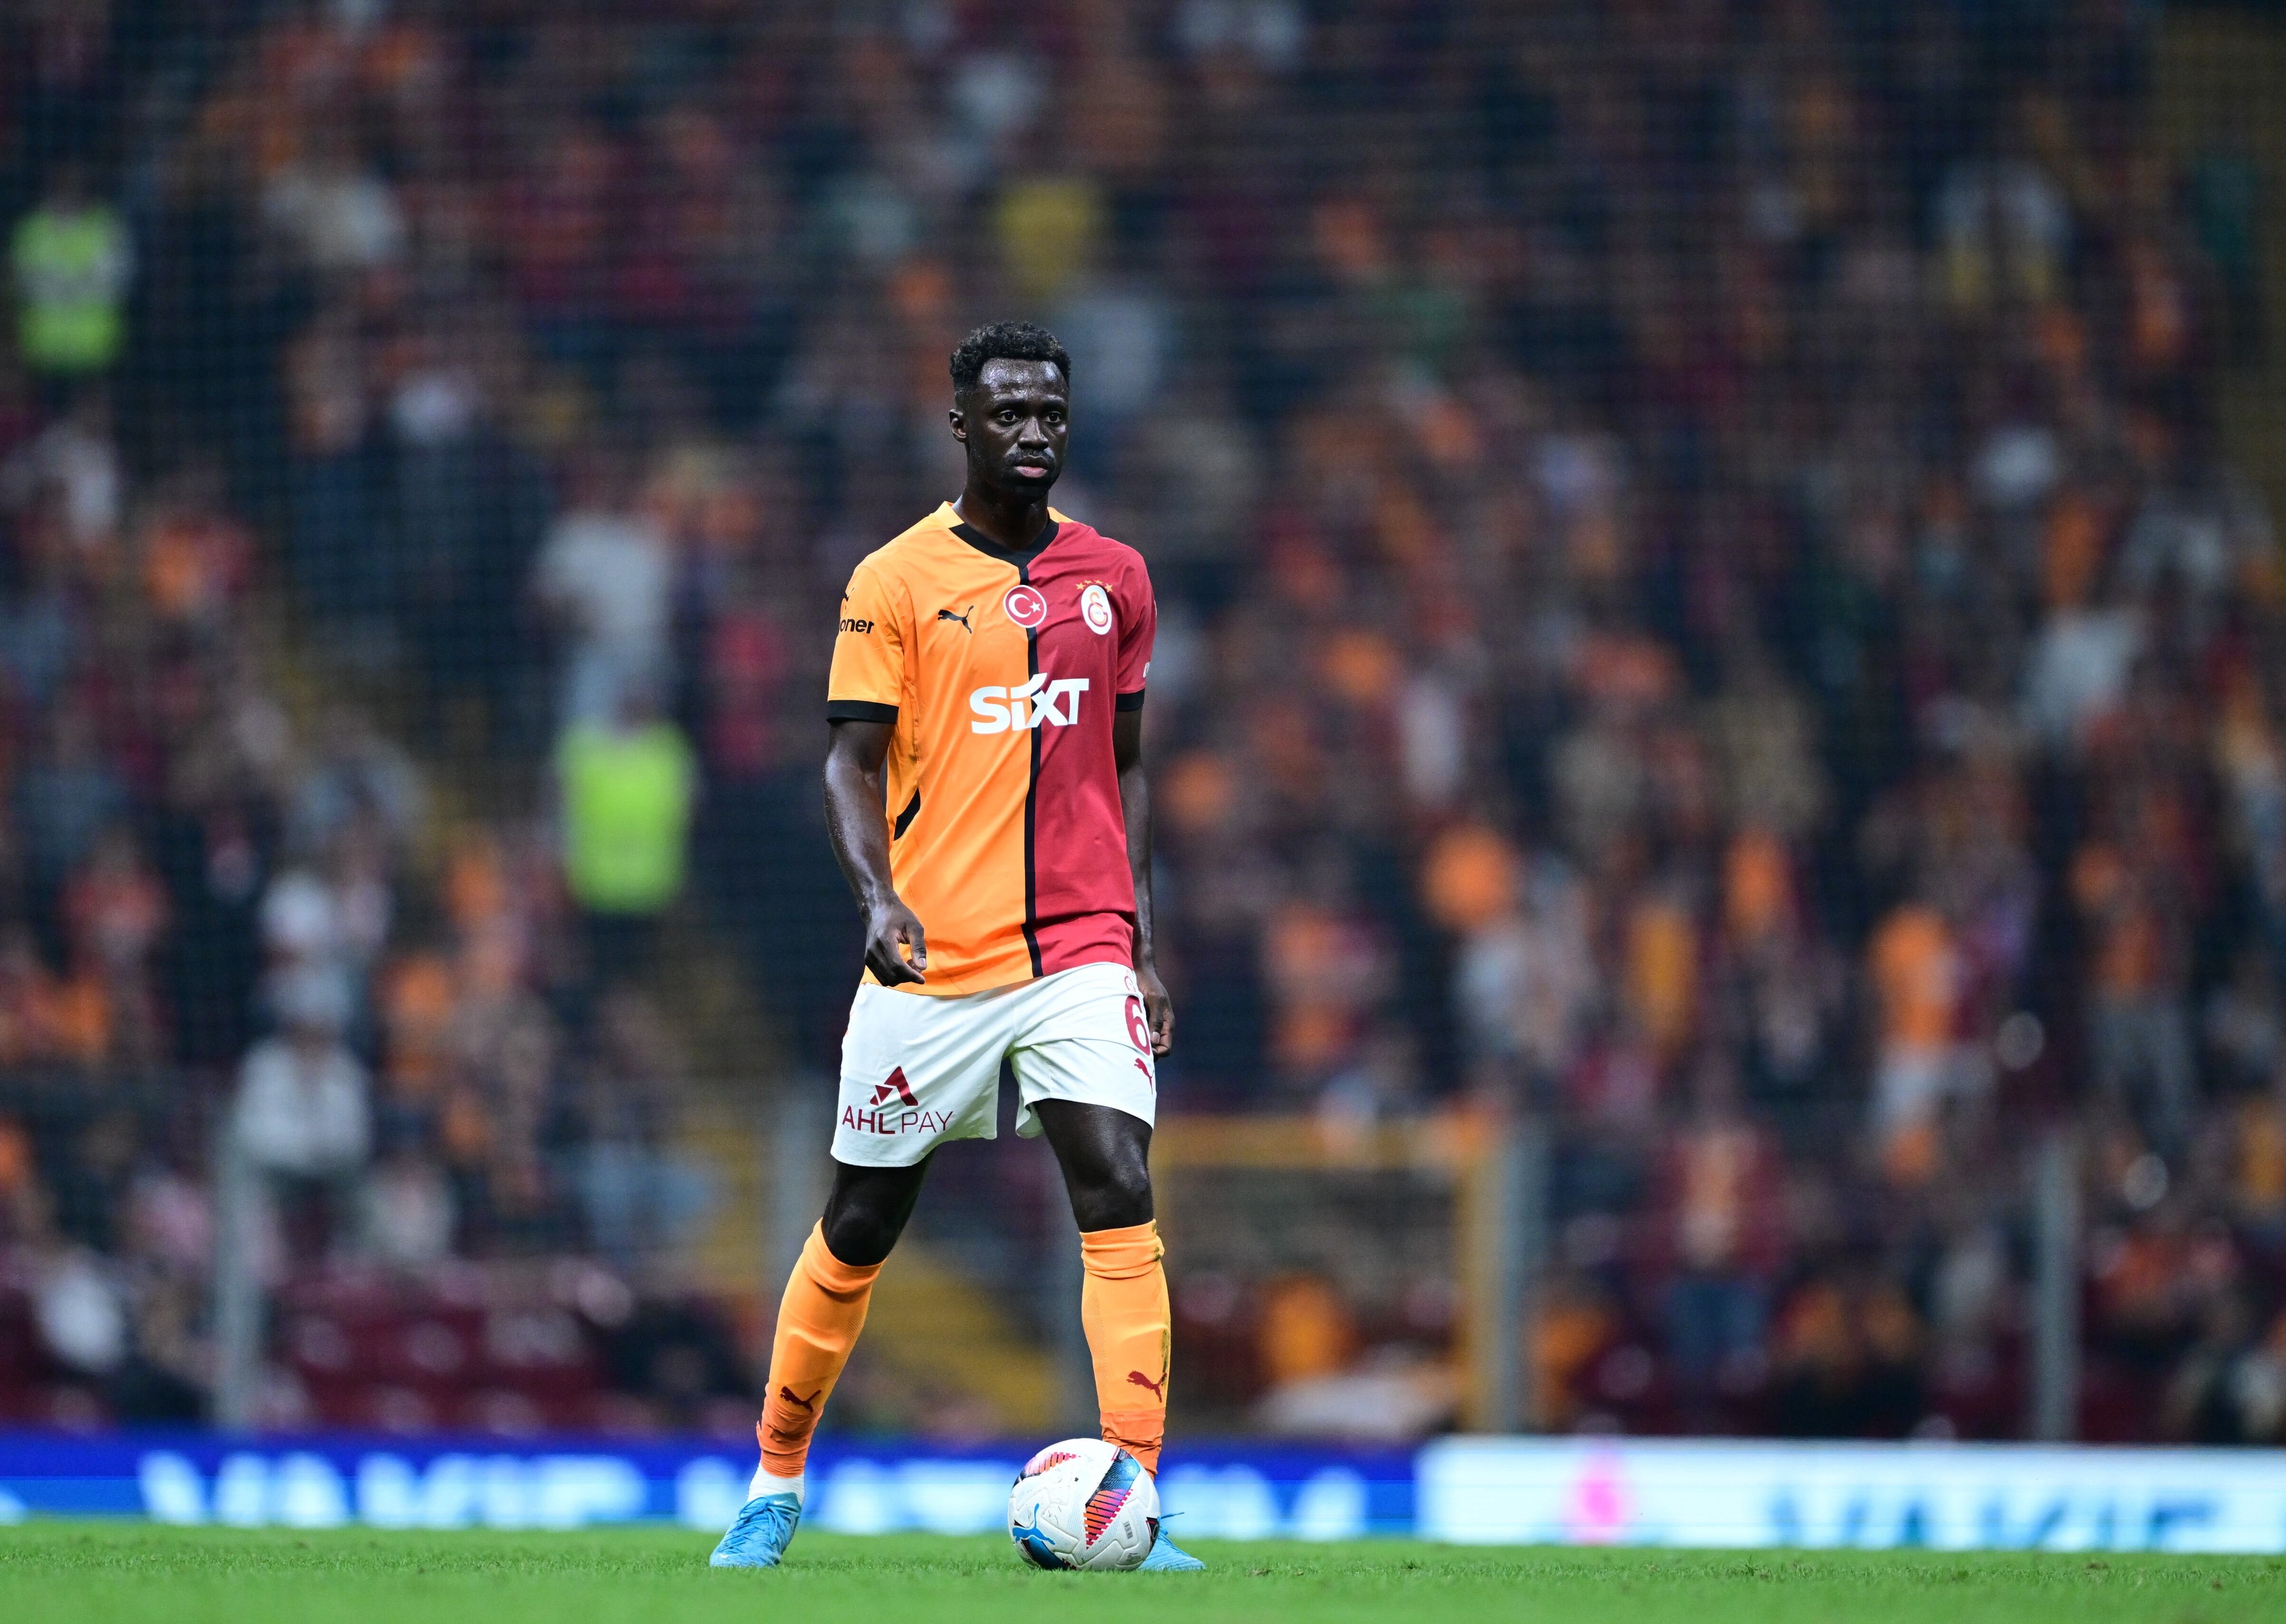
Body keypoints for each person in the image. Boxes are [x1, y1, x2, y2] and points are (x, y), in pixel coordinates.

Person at [711, 322, 1200, 1571]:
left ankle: (1132, 1495)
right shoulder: (894, 580)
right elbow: (848, 760)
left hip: (1080, 946)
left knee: (1119, 1185)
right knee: (863, 1220)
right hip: (933, 955)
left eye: (1051, 414)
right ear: (963, 429)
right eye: (1009, 415)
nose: (1034, 433)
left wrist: (1139, 936)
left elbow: (1127, 766)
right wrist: (875, 897)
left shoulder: (1118, 579)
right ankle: (772, 1482)